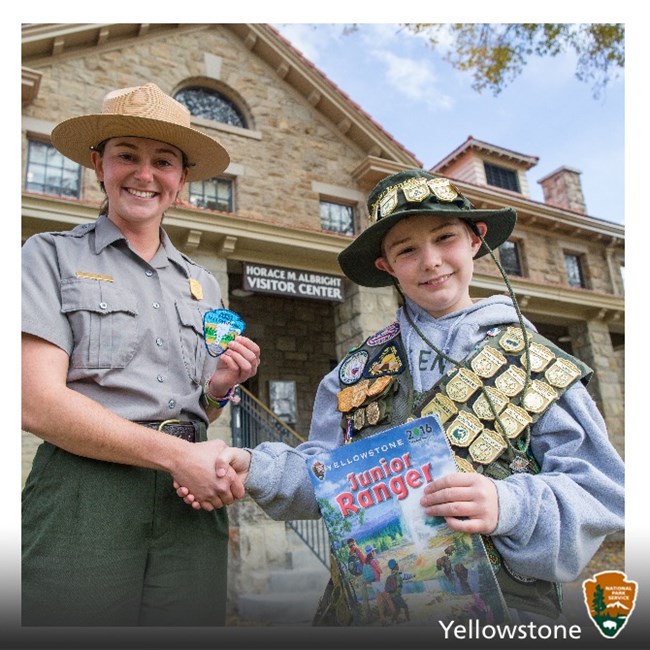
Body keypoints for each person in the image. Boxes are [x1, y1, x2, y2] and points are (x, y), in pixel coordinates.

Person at [176, 169, 624, 623]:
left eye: (445, 237)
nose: (430, 261)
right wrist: (255, 467)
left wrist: (508, 504)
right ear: (385, 266)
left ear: (476, 239)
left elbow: (601, 491)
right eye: (407, 249)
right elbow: (326, 479)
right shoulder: (352, 375)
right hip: (362, 610)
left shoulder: (536, 361)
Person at [21, 82, 261, 626]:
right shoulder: (47, 256)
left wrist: (219, 385)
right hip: (85, 493)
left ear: (181, 181)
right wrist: (176, 456)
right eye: (127, 155)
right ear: (97, 164)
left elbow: (204, 409)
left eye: (164, 161)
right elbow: (34, 402)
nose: (145, 174)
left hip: (189, 500)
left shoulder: (204, 286)